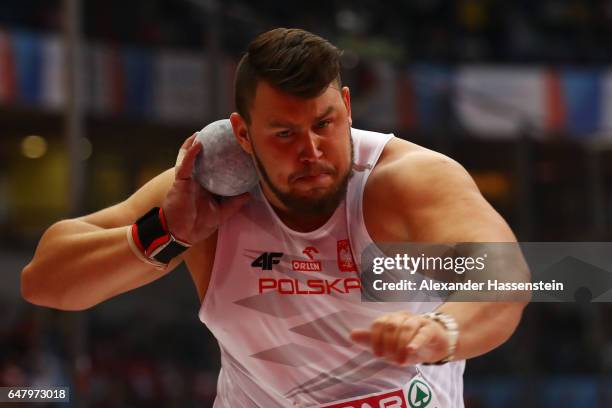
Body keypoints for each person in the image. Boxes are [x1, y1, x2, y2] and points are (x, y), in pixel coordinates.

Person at [22, 28, 527, 407]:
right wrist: (165, 234)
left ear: (347, 107)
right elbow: (45, 281)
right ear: (242, 134)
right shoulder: (205, 189)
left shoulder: (405, 183)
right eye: (284, 134)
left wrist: (443, 332)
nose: (311, 151)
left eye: (325, 124)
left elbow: (506, 276)